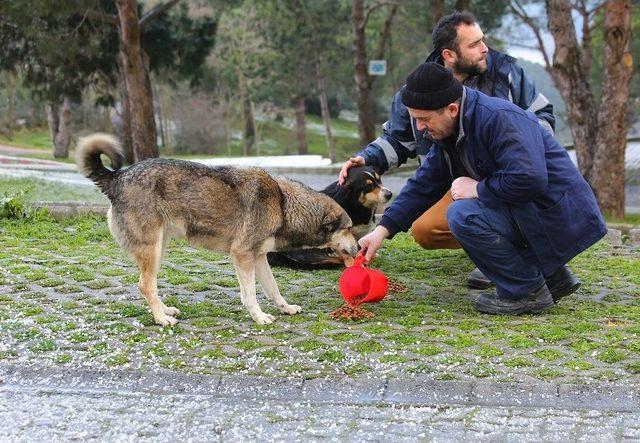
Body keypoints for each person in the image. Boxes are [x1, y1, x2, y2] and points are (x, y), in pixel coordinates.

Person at [358, 62, 606, 314]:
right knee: (468, 209)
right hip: (537, 213)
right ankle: (552, 276)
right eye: (415, 119)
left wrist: (479, 188)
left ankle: (527, 291)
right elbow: (423, 184)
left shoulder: (498, 118)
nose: (419, 127)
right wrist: (381, 231)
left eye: (424, 119)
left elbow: (530, 177)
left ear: (452, 109)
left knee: (463, 215)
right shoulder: (447, 132)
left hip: (561, 214)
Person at [338, 11, 555, 289]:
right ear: (449, 54)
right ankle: (489, 242)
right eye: (474, 44)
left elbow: (543, 118)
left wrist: (513, 151)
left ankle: (512, 257)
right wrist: (365, 159)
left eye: (483, 40)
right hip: (453, 183)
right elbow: (397, 140)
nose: (485, 48)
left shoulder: (507, 73)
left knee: (498, 202)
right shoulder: (416, 91)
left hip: (509, 178)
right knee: (425, 229)